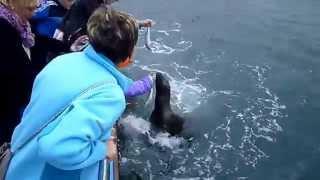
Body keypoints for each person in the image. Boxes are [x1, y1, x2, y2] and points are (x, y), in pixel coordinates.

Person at [5, 6, 153, 180]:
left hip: (20, 164)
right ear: (128, 56)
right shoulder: (110, 95)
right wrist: (102, 150)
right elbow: (57, 148)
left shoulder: (61, 61)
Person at [0, 0, 88, 145]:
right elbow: (18, 78)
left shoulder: (19, 23)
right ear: (9, 2)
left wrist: (68, 48)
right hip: (8, 113)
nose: (36, 5)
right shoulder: (4, 31)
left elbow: (37, 42)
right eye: (30, 3)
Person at [55, 0, 153, 44]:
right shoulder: (92, 4)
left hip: (67, 31)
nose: (114, 2)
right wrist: (140, 23)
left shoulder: (98, 4)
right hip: (73, 39)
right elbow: (110, 20)